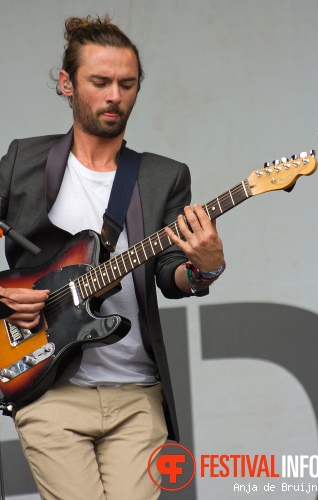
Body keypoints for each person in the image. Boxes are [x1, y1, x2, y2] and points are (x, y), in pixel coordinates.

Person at [0, 14, 225, 500]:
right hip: (47, 385)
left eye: (127, 84)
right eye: (100, 82)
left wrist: (204, 266)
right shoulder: (22, 161)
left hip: (137, 396)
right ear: (67, 83)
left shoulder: (163, 177)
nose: (114, 96)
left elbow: (170, 275)